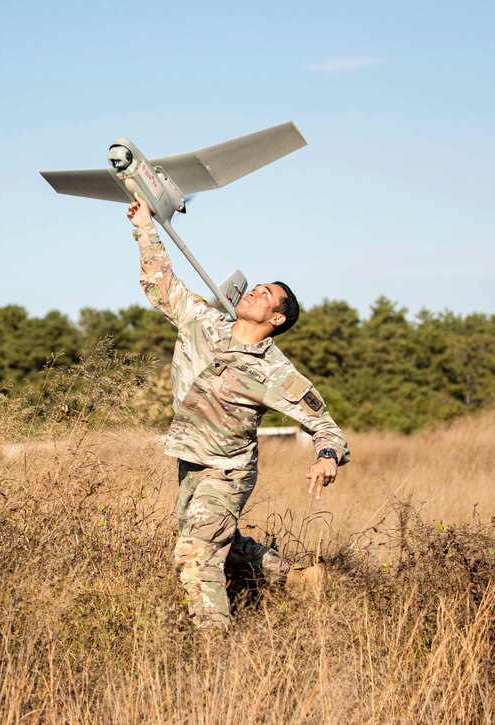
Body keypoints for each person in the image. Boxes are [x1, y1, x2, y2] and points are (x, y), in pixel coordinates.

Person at [127, 192, 350, 632]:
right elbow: (162, 284)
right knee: (213, 540)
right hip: (191, 457)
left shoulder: (274, 371)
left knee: (195, 554)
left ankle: (213, 649)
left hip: (227, 469)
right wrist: (144, 227)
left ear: (278, 319)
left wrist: (327, 456)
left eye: (266, 294)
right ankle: (295, 579)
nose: (254, 290)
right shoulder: (204, 322)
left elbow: (322, 421)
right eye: (256, 286)